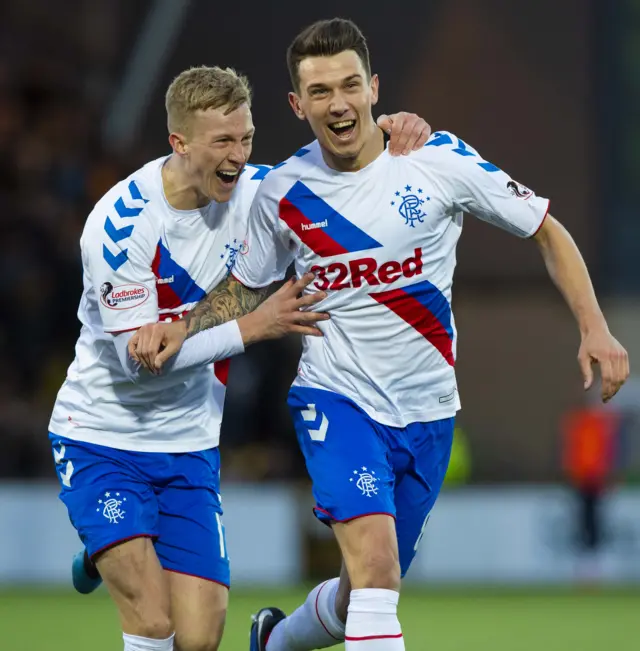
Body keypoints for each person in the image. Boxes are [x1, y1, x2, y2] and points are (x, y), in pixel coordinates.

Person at [130, 18, 630, 651]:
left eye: (348, 86)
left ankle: (276, 640)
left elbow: (544, 229)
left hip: (428, 415)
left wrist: (595, 327)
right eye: (318, 92)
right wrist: (181, 324)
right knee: (376, 570)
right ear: (297, 104)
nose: (336, 104)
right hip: (336, 401)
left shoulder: (435, 160)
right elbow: (244, 286)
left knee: (359, 591)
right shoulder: (282, 192)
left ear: (372, 88)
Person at [48, 63, 431, 651]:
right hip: (104, 437)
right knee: (153, 623)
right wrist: (252, 326)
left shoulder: (258, 193)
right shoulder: (121, 224)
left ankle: (113, 547)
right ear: (179, 143)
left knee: (200, 641)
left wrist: (398, 130)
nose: (239, 155)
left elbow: (342, 170)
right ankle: (116, 541)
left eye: (246, 138)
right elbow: (138, 361)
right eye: (222, 141)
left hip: (189, 445)